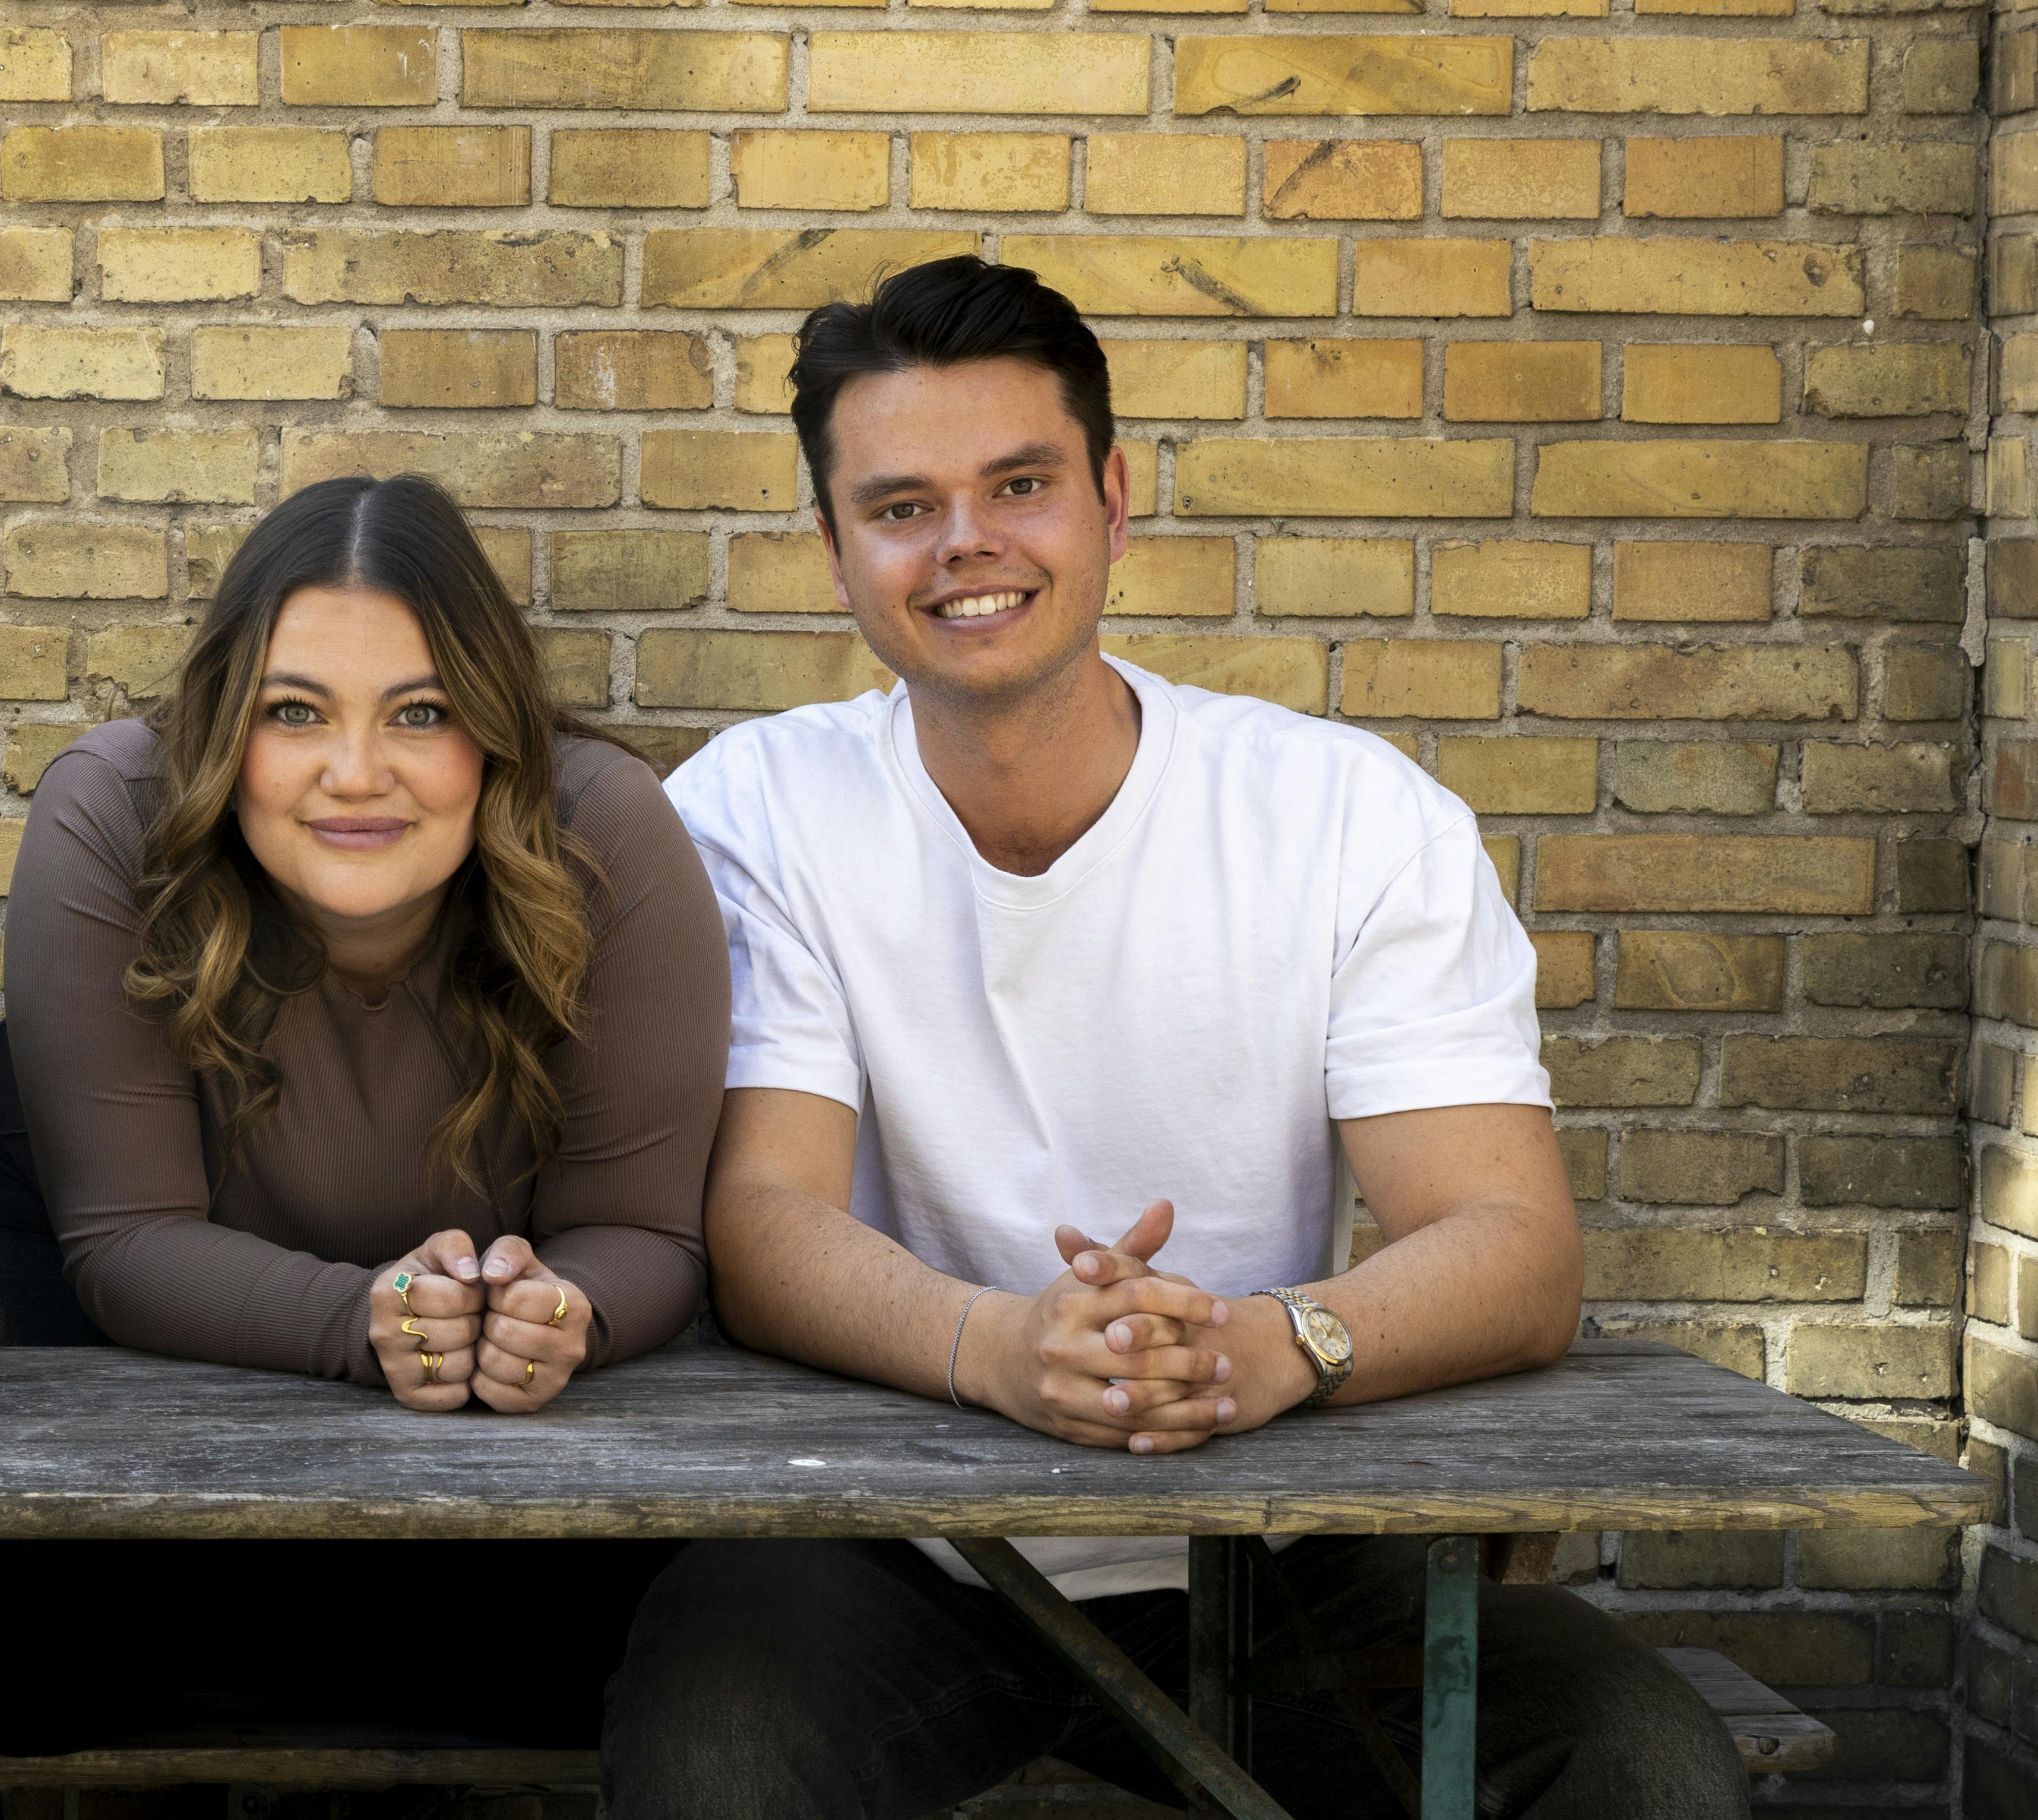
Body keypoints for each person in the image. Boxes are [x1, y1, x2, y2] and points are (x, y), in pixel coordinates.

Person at [648, 256, 1744, 1817]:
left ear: (1111, 494)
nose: (967, 544)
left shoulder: (1344, 815)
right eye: (900, 507)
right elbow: (764, 1220)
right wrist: (1006, 1349)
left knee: (1643, 1767)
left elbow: (1512, 1243)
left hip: (1281, 1537)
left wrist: (1269, 1346)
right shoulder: (758, 807)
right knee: (721, 1764)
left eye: (1017, 484)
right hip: (888, 1546)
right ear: (833, 552)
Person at [0, 471, 731, 1780]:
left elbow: (645, 1227)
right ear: (221, 729)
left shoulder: (603, 830)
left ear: (493, 733)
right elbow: (128, 1238)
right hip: (147, 1413)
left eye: (422, 713)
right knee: (7, 1659)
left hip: (482, 1443)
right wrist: (366, 1321)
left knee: (617, 1657)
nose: (354, 775)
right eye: (292, 712)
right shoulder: (115, 813)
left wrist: (565, 1312)